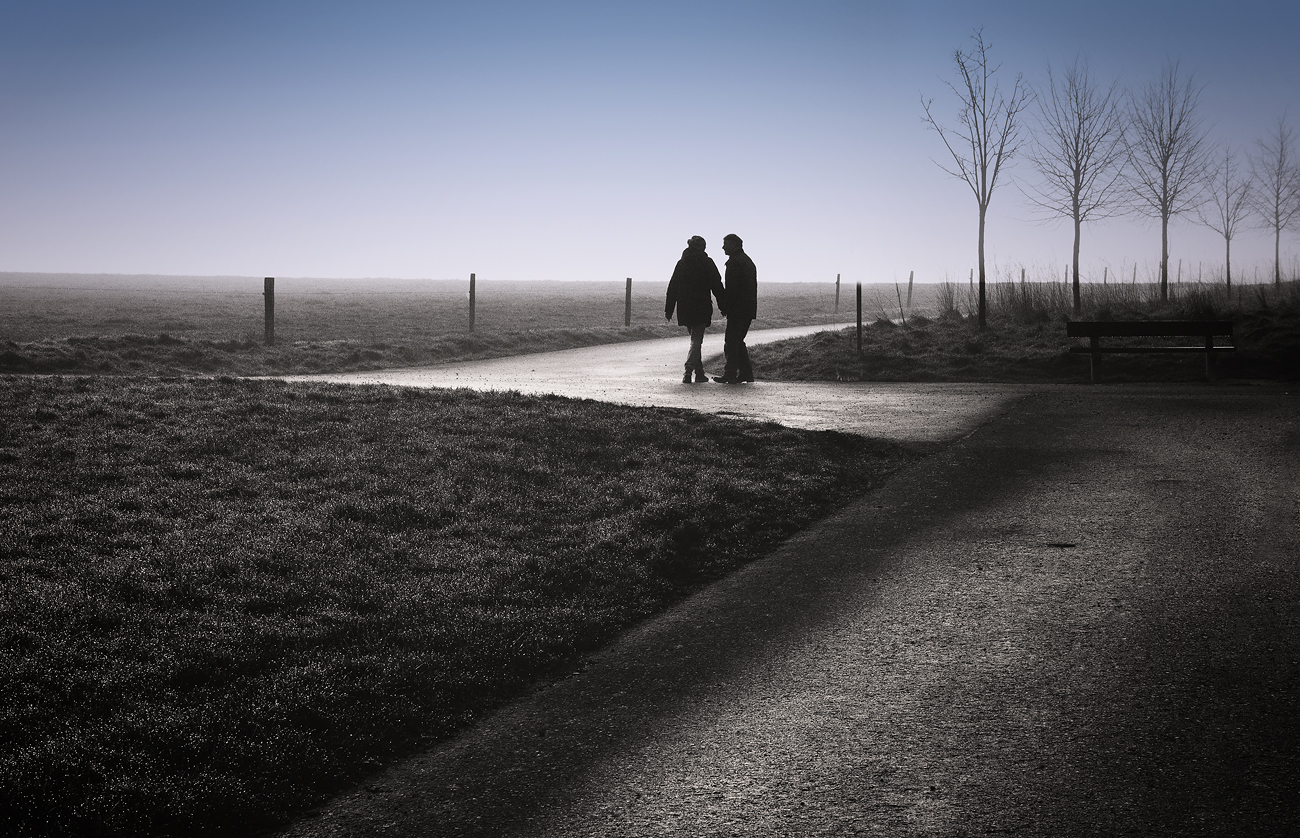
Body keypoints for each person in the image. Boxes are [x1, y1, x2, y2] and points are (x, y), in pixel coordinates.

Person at [664, 235, 725, 383]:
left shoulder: (682, 263)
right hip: (701, 307)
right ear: (703, 247)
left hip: (685, 308)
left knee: (695, 340)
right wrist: (723, 306)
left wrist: (669, 309)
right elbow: (717, 285)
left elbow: (673, 286)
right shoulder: (707, 263)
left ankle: (699, 373)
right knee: (696, 341)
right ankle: (688, 371)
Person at [715, 233, 757, 383]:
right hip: (747, 308)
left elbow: (732, 289)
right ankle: (746, 373)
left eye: (725, 244)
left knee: (731, 342)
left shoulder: (735, 263)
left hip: (738, 309)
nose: (723, 247)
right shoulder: (747, 261)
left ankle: (730, 374)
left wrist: (726, 306)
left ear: (734, 245)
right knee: (738, 341)